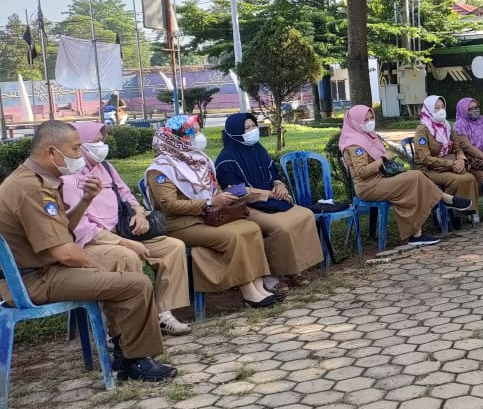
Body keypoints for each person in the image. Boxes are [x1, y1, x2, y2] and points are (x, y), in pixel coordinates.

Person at [0, 121, 176, 381]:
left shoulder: (36, 180)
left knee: (122, 279)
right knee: (134, 284)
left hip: (43, 271)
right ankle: (133, 361)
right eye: (74, 148)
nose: (79, 154)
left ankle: (127, 352)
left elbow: (63, 230)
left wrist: (85, 200)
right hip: (32, 280)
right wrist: (97, 268)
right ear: (51, 152)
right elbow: (64, 252)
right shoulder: (31, 189)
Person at [61, 121, 192, 336]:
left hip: (124, 230)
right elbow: (82, 229)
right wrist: (124, 243)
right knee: (126, 255)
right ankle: (122, 329)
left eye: (102, 140)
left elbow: (126, 195)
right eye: (95, 141)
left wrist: (139, 213)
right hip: (95, 240)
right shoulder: (69, 178)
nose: (101, 145)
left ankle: (163, 313)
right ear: (80, 145)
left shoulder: (106, 168)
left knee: (173, 247)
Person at [146, 115, 281, 308]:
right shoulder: (161, 168)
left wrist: (221, 195)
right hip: (181, 224)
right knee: (233, 236)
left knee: (251, 228)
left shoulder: (198, 159)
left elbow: (212, 187)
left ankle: (258, 286)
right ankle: (248, 292)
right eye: (194, 132)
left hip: (209, 217)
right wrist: (209, 201)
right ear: (178, 137)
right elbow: (170, 205)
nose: (199, 136)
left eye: (199, 130)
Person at [339, 104, 473, 247]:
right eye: (365, 120)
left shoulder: (368, 137)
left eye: (371, 118)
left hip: (381, 180)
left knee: (414, 181)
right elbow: (361, 172)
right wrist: (383, 159)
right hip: (368, 187)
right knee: (415, 176)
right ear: (355, 122)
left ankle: (417, 234)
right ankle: (445, 199)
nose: (370, 122)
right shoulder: (354, 144)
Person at [215, 113, 324, 286]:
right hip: (247, 207)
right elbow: (236, 192)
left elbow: (273, 172)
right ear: (234, 132)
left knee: (305, 215)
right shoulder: (226, 159)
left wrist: (279, 185)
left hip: (272, 200)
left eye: (254, 126)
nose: (252, 131)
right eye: (247, 128)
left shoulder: (257, 149)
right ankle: (276, 273)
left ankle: (299, 267)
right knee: (281, 228)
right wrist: (268, 194)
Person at [412, 96, 479, 228]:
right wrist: (450, 164)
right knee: (456, 180)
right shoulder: (422, 129)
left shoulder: (447, 126)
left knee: (470, 177)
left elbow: (457, 148)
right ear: (428, 110)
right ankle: (442, 209)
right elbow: (425, 158)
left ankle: (466, 211)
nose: (441, 110)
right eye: (437, 108)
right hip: (428, 169)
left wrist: (461, 160)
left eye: (443, 107)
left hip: (447, 165)